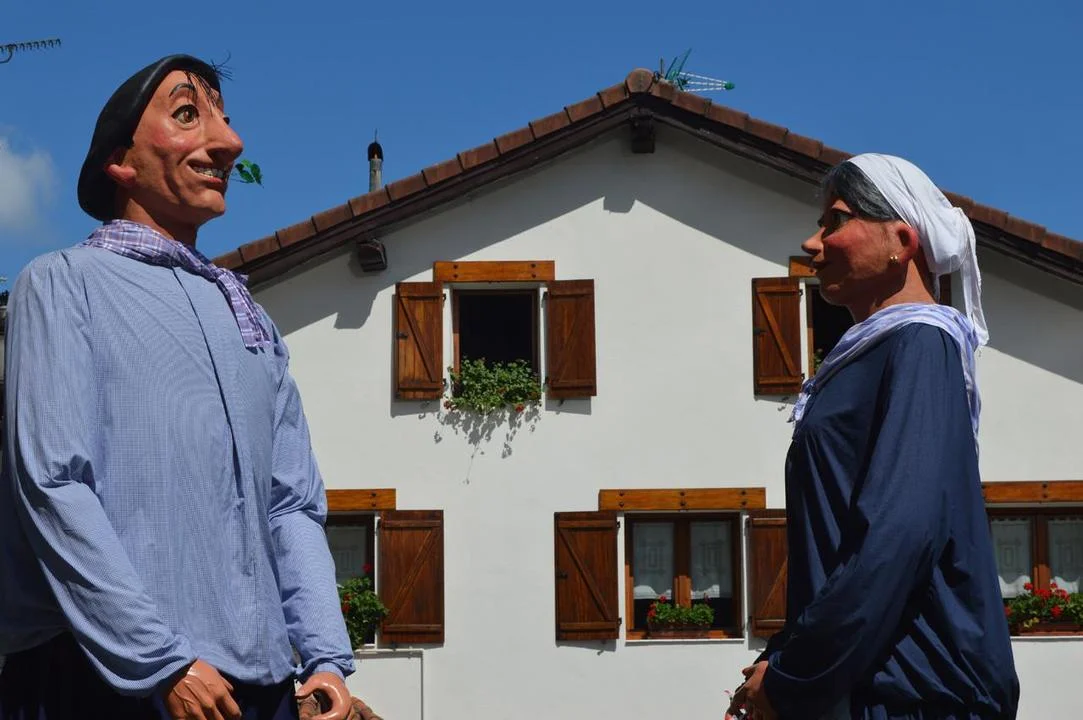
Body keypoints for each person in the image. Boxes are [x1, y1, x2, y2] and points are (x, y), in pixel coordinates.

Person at [0, 54, 357, 720]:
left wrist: (326, 659)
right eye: (188, 114)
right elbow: (52, 483)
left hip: (258, 684)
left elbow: (290, 505)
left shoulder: (248, 317)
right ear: (119, 162)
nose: (229, 142)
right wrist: (157, 659)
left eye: (224, 119)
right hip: (101, 677)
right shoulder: (62, 283)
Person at [727, 154, 1019, 719]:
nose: (813, 242)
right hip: (874, 682)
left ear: (901, 241)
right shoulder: (875, 352)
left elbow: (898, 533)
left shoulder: (920, 344)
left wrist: (793, 677)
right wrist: (782, 657)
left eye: (835, 220)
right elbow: (843, 543)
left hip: (916, 692)